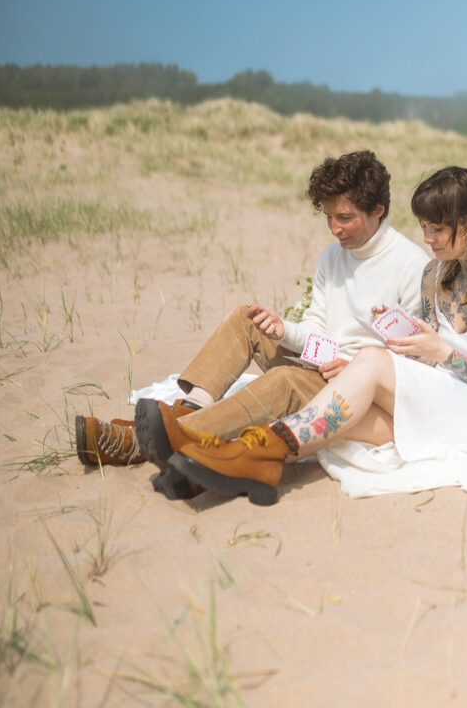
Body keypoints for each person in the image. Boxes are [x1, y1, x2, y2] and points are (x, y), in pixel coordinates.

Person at [163, 166, 467, 505]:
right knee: (331, 416)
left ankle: (240, 455)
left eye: (437, 229)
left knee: (363, 368)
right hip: (438, 399)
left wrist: (442, 353)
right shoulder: (436, 275)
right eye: (423, 227)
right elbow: (419, 357)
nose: (427, 238)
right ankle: (238, 460)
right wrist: (402, 338)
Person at [76, 150, 429, 497]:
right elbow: (319, 328)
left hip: (360, 390)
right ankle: (191, 410)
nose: (335, 228)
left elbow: (414, 362)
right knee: (247, 320)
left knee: (286, 380)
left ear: (378, 210)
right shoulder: (332, 256)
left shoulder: (411, 266)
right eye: (329, 217)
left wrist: (353, 367)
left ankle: (145, 441)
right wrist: (282, 329)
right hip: (325, 363)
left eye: (346, 217)